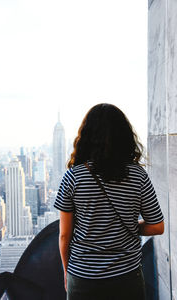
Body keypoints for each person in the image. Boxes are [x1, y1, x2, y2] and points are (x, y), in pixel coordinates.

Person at [54, 103, 164, 300]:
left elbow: (64, 236)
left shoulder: (73, 177)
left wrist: (66, 271)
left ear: (86, 136)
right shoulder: (138, 175)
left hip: (83, 278)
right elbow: (157, 226)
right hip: (127, 277)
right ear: (125, 136)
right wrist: (129, 227)